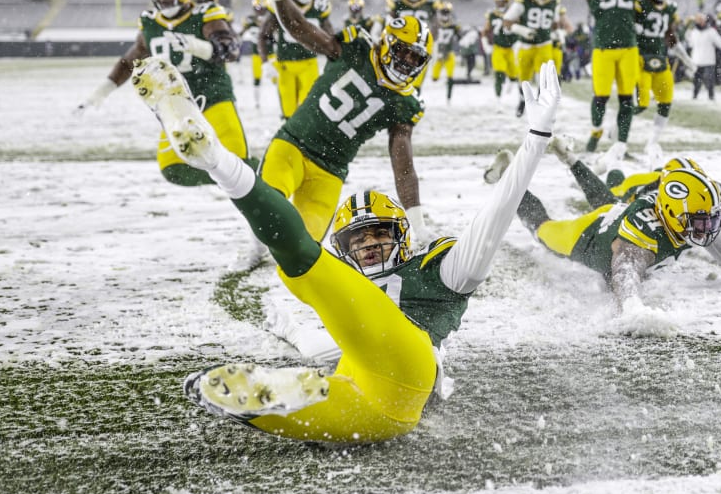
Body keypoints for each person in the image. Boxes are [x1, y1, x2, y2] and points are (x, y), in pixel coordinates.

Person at [138, 56, 561, 442]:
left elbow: (495, 215)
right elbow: (319, 345)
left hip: (413, 367)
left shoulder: (443, 271)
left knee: (299, 262)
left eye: (379, 233)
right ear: (345, 248)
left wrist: (537, 138)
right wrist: (287, 327)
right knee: (224, 393)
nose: (371, 245)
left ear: (401, 237)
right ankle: (271, 396)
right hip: (375, 407)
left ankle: (218, 161)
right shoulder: (350, 298)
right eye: (358, 239)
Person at [74, 0, 260, 271]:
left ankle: (260, 232)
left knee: (240, 161)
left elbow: (230, 49)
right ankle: (237, 176)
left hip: (214, 99)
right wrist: (101, 91)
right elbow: (130, 61)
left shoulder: (206, 13)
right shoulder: (150, 22)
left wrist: (199, 46)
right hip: (176, 106)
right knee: (173, 168)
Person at [243, 0, 432, 244]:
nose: (407, 63)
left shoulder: (403, 103)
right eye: (403, 52)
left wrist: (417, 221)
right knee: (268, 214)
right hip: (292, 145)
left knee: (304, 245)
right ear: (386, 44)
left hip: (330, 171)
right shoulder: (354, 49)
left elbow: (404, 167)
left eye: (416, 58)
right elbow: (298, 27)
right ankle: (254, 248)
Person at [513, 160, 721, 325]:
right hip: (590, 236)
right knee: (544, 230)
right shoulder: (645, 230)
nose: (709, 228)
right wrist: (636, 310)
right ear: (673, 214)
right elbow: (624, 279)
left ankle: (573, 159)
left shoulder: (691, 216)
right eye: (700, 221)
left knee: (608, 198)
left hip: (620, 213)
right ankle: (510, 183)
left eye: (710, 219)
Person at [484, 138, 721, 249]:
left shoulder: (703, 193)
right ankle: (515, 176)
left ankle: (569, 158)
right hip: (615, 219)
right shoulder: (657, 192)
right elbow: (608, 202)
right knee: (553, 228)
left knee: (606, 197)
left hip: (622, 206)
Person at [556, 0, 670, 162]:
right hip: (603, 48)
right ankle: (597, 130)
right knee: (601, 97)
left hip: (628, 48)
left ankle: (621, 144)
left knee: (627, 99)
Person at [258, 0, 333, 119]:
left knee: (309, 110)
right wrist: (266, 61)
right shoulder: (281, 6)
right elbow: (264, 35)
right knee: (288, 112)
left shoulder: (319, 7)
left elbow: (331, 38)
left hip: (309, 64)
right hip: (285, 64)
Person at [504, 0, 569, 117]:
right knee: (524, 78)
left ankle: (540, 104)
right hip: (525, 45)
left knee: (545, 77)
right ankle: (522, 101)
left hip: (544, 44)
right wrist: (521, 30)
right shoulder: (522, 1)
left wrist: (558, 33)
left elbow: (555, 22)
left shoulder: (554, 0)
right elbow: (507, 22)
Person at [633, 0, 681, 161]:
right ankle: (616, 129)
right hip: (639, 57)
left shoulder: (670, 8)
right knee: (641, 103)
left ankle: (652, 141)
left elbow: (669, 34)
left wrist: (678, 47)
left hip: (661, 59)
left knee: (666, 102)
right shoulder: (639, 5)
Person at [483, 0, 519, 100]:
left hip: (512, 47)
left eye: (503, 1)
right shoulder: (492, 14)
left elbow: (519, 28)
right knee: (499, 73)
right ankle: (498, 99)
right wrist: (485, 43)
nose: (501, 3)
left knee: (514, 75)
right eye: (499, 1)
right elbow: (485, 30)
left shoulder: (514, 13)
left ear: (507, 1)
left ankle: (510, 85)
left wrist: (518, 42)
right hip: (498, 47)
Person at [425, 0, 463, 99]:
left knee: (450, 76)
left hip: (449, 53)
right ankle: (437, 95)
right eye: (443, 12)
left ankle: (448, 97)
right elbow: (429, 38)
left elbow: (461, 37)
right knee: (434, 78)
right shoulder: (435, 24)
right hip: (438, 54)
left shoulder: (454, 25)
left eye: (447, 12)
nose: (445, 15)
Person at [685, 13, 721, 100]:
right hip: (696, 60)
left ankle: (711, 96)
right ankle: (695, 95)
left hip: (709, 60)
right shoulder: (693, 32)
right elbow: (690, 44)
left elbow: (719, 42)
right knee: (697, 80)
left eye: (702, 20)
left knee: (709, 80)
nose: (700, 22)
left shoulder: (711, 31)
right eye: (698, 20)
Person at [238, 0, 270, 109]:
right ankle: (257, 102)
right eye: (257, 8)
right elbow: (240, 35)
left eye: (262, 8)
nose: (260, 10)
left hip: (272, 54)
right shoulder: (250, 21)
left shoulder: (271, 19)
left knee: (278, 79)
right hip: (257, 54)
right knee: (256, 78)